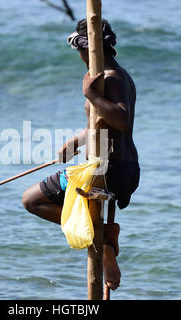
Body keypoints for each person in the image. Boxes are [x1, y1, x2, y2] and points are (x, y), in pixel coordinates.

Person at [22, 19, 140, 291]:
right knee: (48, 199)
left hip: (107, 173)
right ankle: (102, 237)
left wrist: (90, 94)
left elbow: (121, 119)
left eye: (79, 50)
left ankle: (101, 242)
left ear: (87, 50)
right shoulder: (119, 75)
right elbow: (103, 126)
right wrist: (76, 141)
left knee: (31, 201)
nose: (78, 56)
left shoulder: (109, 78)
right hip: (122, 170)